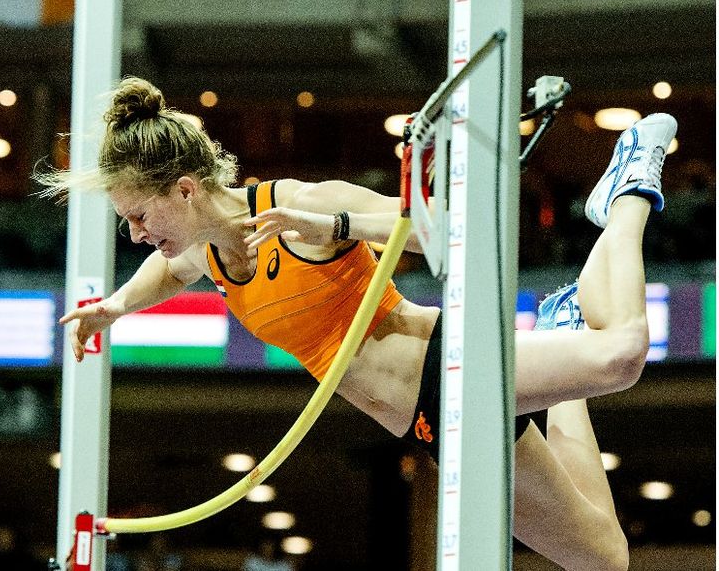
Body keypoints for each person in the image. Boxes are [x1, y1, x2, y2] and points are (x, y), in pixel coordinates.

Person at [39, 77, 677, 571]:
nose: (136, 233)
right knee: (603, 557)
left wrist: (337, 229)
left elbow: (450, 234)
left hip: (444, 362)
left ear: (184, 190)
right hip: (428, 423)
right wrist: (117, 306)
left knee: (621, 355)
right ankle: (562, 323)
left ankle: (627, 194)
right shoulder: (204, 254)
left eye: (138, 215)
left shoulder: (301, 207)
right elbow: (167, 273)